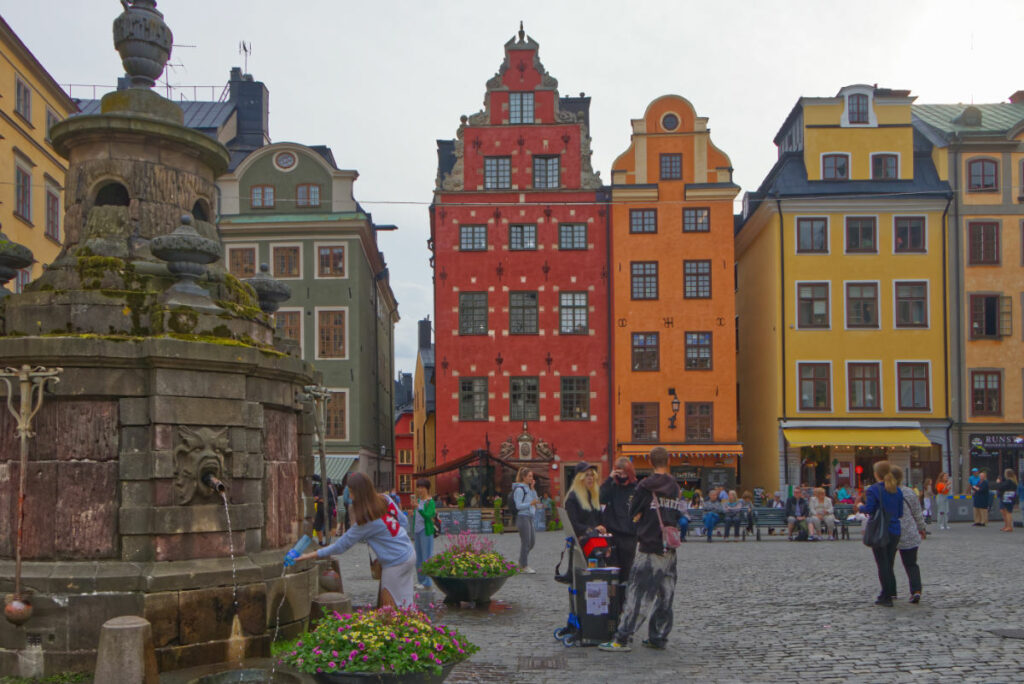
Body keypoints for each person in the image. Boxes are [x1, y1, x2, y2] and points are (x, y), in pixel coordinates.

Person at [289, 472, 416, 608]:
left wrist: (308, 555)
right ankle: (415, 628)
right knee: (406, 603)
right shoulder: (385, 500)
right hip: (408, 553)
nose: (349, 496)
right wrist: (390, 541)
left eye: (351, 492)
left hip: (395, 563)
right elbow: (403, 522)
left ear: (359, 493)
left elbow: (340, 546)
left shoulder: (367, 520)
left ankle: (400, 628)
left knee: (391, 607)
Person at [599, 446, 680, 652]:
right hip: (669, 546)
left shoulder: (646, 485)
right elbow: (679, 512)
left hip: (649, 544)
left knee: (637, 594)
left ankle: (622, 638)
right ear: (668, 461)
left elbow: (633, 510)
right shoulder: (674, 485)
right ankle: (658, 636)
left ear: (651, 462)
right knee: (666, 595)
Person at [857, 461, 903, 607]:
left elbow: (869, 509)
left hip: (880, 530)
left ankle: (887, 596)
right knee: (888, 563)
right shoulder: (897, 490)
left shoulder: (874, 489)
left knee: (882, 565)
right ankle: (887, 593)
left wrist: (860, 507)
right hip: (895, 530)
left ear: (876, 474)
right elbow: (900, 513)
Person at [890, 466, 926, 604]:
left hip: (891, 531)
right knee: (911, 564)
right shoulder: (909, 492)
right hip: (909, 531)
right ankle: (916, 590)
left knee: (888, 564)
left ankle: (890, 591)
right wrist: (922, 528)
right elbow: (917, 512)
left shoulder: (886, 491)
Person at [600, 457, 639, 579]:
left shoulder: (636, 489)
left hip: (629, 536)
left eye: (624, 473)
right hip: (612, 535)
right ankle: (614, 597)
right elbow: (600, 498)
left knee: (627, 572)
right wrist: (610, 478)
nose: (622, 477)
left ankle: (625, 597)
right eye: (619, 473)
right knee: (612, 571)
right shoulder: (612, 486)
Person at [512, 468, 541, 574]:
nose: (531, 478)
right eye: (529, 476)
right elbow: (518, 505)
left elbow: (536, 500)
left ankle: (520, 561)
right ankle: (524, 565)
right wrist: (530, 504)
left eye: (532, 476)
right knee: (526, 542)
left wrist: (533, 488)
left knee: (531, 542)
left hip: (530, 517)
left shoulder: (528, 489)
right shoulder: (519, 489)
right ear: (524, 477)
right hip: (522, 517)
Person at [411, 478, 436, 590]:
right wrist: (413, 513)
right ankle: (421, 580)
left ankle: (427, 582)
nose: (420, 490)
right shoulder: (418, 501)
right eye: (418, 487)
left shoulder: (430, 502)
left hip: (426, 531)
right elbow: (418, 517)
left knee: (427, 557)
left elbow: (428, 516)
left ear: (427, 489)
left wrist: (419, 509)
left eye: (422, 488)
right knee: (418, 558)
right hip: (417, 531)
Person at [311, 474, 338, 546]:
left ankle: (327, 542)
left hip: (328, 508)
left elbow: (334, 499)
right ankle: (320, 542)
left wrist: (324, 500)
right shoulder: (318, 486)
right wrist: (317, 499)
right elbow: (315, 496)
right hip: (320, 508)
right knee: (317, 526)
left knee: (328, 527)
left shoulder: (331, 487)